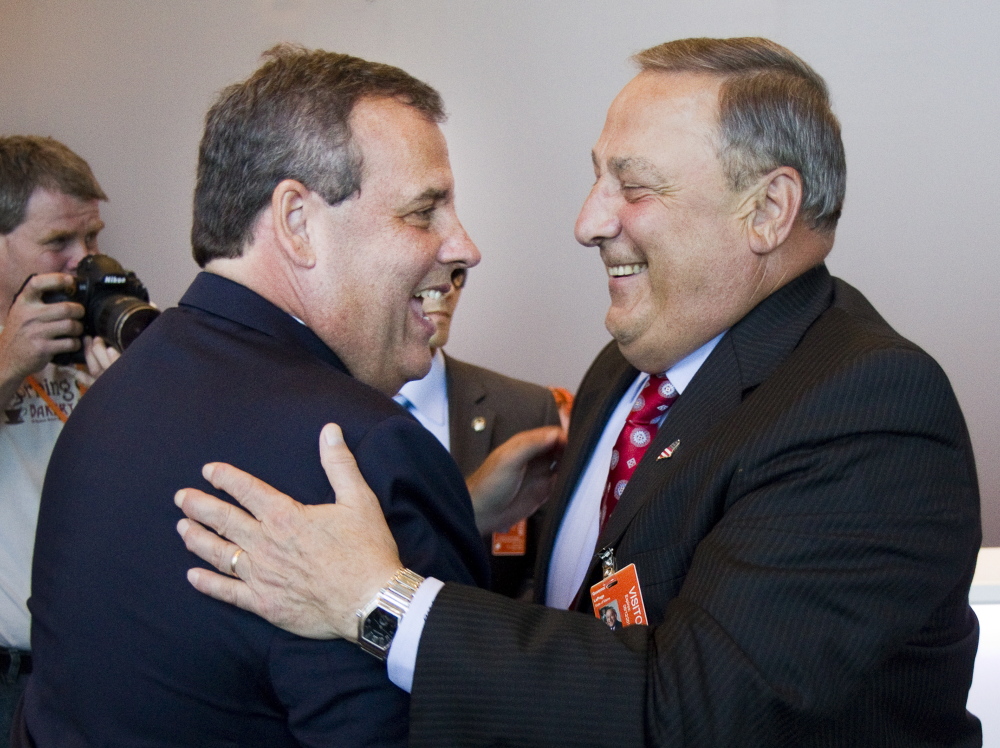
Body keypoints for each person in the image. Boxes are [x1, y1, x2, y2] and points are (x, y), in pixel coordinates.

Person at [174, 37, 983, 747]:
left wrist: (375, 601)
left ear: (768, 209)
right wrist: (470, 517)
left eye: (633, 187)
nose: (588, 221)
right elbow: (581, 615)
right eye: (596, 179)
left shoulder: (868, 409)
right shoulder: (627, 367)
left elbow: (691, 717)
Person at [19, 46, 504, 747]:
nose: (463, 247)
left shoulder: (110, 396)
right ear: (298, 222)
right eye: (423, 211)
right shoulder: (363, 455)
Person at [0, 135, 119, 746]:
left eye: (92, 238)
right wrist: (9, 361)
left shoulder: (90, 337)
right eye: (57, 243)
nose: (84, 261)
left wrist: (124, 411)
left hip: (90, 666)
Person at [398, 266, 562, 598]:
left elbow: (546, 577)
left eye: (456, 273)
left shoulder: (526, 409)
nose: (447, 284)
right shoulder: (314, 407)